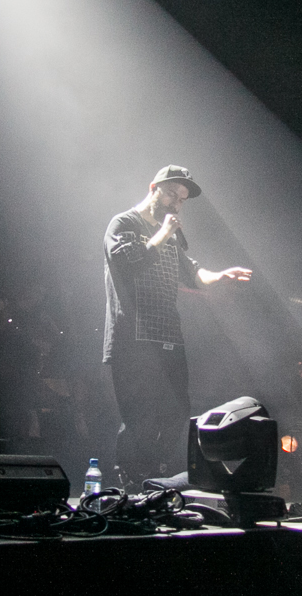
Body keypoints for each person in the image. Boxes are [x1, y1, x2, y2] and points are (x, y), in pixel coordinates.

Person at [103, 165, 252, 483]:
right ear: (153, 187)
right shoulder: (124, 223)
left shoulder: (170, 238)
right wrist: (163, 233)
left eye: (182, 199)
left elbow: (194, 273)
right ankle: (128, 480)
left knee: (176, 411)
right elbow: (128, 263)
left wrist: (220, 276)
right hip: (134, 339)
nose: (176, 203)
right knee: (139, 417)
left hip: (168, 336)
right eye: (172, 193)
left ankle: (154, 475)